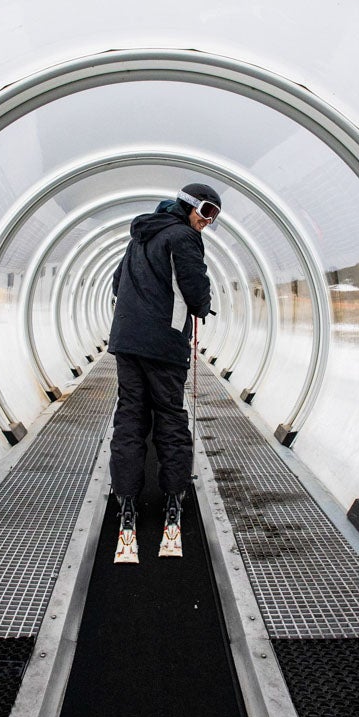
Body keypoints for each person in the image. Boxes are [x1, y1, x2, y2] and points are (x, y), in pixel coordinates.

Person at [107, 182, 221, 553]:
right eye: (206, 212)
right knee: (170, 417)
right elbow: (194, 287)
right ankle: (174, 496)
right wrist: (202, 306)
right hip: (164, 343)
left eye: (214, 217)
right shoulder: (184, 238)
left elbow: (116, 282)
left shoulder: (140, 234)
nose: (207, 222)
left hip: (127, 340)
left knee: (130, 416)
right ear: (188, 206)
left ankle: (126, 497)